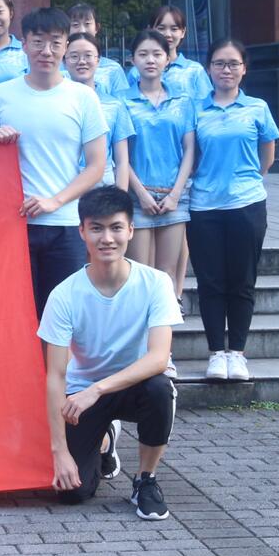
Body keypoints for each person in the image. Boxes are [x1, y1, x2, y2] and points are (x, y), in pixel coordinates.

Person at [38, 186, 181, 521]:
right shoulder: (64, 295)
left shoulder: (156, 283)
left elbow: (158, 358)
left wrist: (98, 389)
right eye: (96, 228)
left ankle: (146, 480)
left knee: (161, 388)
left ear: (130, 230)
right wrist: (59, 452)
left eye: (116, 227)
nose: (107, 238)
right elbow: (55, 375)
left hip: (133, 386)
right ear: (82, 232)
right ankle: (106, 440)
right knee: (73, 493)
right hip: (82, 395)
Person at [0, 8, 108, 317]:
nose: (46, 51)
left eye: (55, 43)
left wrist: (54, 201)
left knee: (64, 315)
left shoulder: (83, 97)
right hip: (14, 222)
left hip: (65, 224)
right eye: (38, 42)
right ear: (24, 44)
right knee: (17, 315)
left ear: (65, 46)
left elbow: (96, 166)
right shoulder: (2, 94)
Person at [187, 39, 279, 383]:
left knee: (242, 281)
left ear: (244, 68)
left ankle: (237, 353)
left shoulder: (257, 107)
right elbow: (190, 155)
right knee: (210, 282)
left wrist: (246, 179)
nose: (226, 70)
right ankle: (216, 353)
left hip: (247, 204)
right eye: (219, 63)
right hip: (204, 206)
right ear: (208, 68)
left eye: (232, 64)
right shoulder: (195, 109)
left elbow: (266, 156)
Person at [121, 30, 196, 287]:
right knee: (139, 273)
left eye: (157, 54)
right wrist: (140, 193)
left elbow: (189, 150)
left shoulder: (183, 101)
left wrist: (176, 194)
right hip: (136, 196)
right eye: (143, 54)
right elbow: (120, 155)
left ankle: (167, 316)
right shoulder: (122, 101)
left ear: (167, 59)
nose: (150, 60)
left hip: (174, 197)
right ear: (133, 59)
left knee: (167, 273)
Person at [64, 33, 133, 191]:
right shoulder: (56, 102)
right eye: (74, 56)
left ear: (98, 60)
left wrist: (120, 199)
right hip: (63, 184)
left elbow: (122, 161)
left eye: (88, 55)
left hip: (102, 187)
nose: (82, 61)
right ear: (64, 61)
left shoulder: (114, 105)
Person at [128, 5, 213, 101]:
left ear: (183, 32)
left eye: (174, 29)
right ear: (150, 30)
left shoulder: (195, 70)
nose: (168, 34)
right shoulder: (136, 72)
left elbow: (207, 106)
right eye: (161, 28)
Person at [66, 2, 129, 99]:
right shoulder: (57, 68)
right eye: (75, 24)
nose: (82, 30)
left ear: (97, 27)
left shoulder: (113, 68)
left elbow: (122, 101)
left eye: (87, 24)